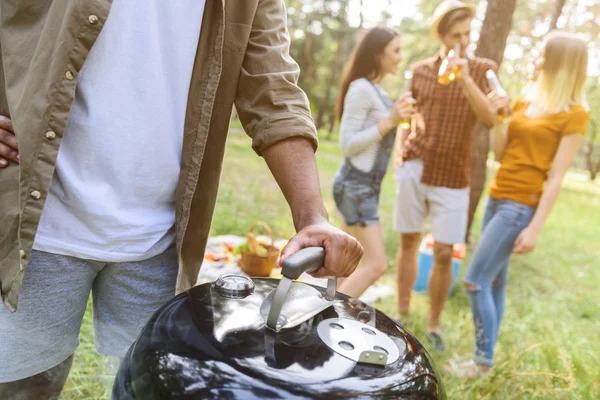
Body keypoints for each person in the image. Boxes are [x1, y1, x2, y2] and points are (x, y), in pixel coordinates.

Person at [0, 1, 363, 398]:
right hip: (35, 225)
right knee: (20, 389)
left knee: (149, 389)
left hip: (161, 241)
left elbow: (274, 91)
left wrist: (312, 217)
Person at [448, 31, 589, 377]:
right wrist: (499, 118)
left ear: (559, 64)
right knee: (493, 282)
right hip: (497, 197)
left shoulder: (575, 114)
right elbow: (500, 153)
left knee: (475, 281)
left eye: (541, 55)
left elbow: (556, 176)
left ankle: (482, 363)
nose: (533, 60)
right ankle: (487, 360)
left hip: (520, 207)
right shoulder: (525, 102)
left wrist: (535, 227)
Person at [393, 0, 497, 351]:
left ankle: (433, 325)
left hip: (453, 174)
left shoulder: (483, 69)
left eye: (467, 34)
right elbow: (407, 115)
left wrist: (465, 75)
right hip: (415, 165)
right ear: (441, 35)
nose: (463, 42)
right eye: (456, 35)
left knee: (443, 251)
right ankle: (402, 313)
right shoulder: (420, 70)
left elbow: (489, 119)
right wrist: (398, 153)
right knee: (408, 242)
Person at [331, 27, 414, 298]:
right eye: (396, 51)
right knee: (376, 264)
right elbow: (348, 144)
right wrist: (389, 121)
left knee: (345, 267)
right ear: (378, 54)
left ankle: (321, 323)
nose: (400, 57)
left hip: (364, 187)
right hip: (355, 187)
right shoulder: (361, 89)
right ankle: (326, 318)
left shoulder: (376, 91)